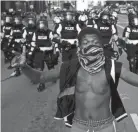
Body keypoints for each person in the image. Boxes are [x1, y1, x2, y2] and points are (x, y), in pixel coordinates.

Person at [12, 27, 138, 132]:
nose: (90, 45)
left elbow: (135, 80)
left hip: (105, 126)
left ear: (101, 45)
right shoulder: (69, 66)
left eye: (94, 42)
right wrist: (24, 67)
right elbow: (41, 77)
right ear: (79, 45)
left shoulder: (111, 66)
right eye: (86, 42)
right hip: (79, 125)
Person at [31, 18, 59, 92]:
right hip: (39, 52)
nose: (41, 26)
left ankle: (53, 77)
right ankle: (41, 84)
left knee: (50, 66)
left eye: (43, 25)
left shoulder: (50, 32)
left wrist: (56, 50)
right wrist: (31, 51)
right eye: (40, 25)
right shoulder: (36, 33)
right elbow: (33, 41)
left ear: (46, 25)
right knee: (40, 69)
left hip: (48, 52)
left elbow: (55, 41)